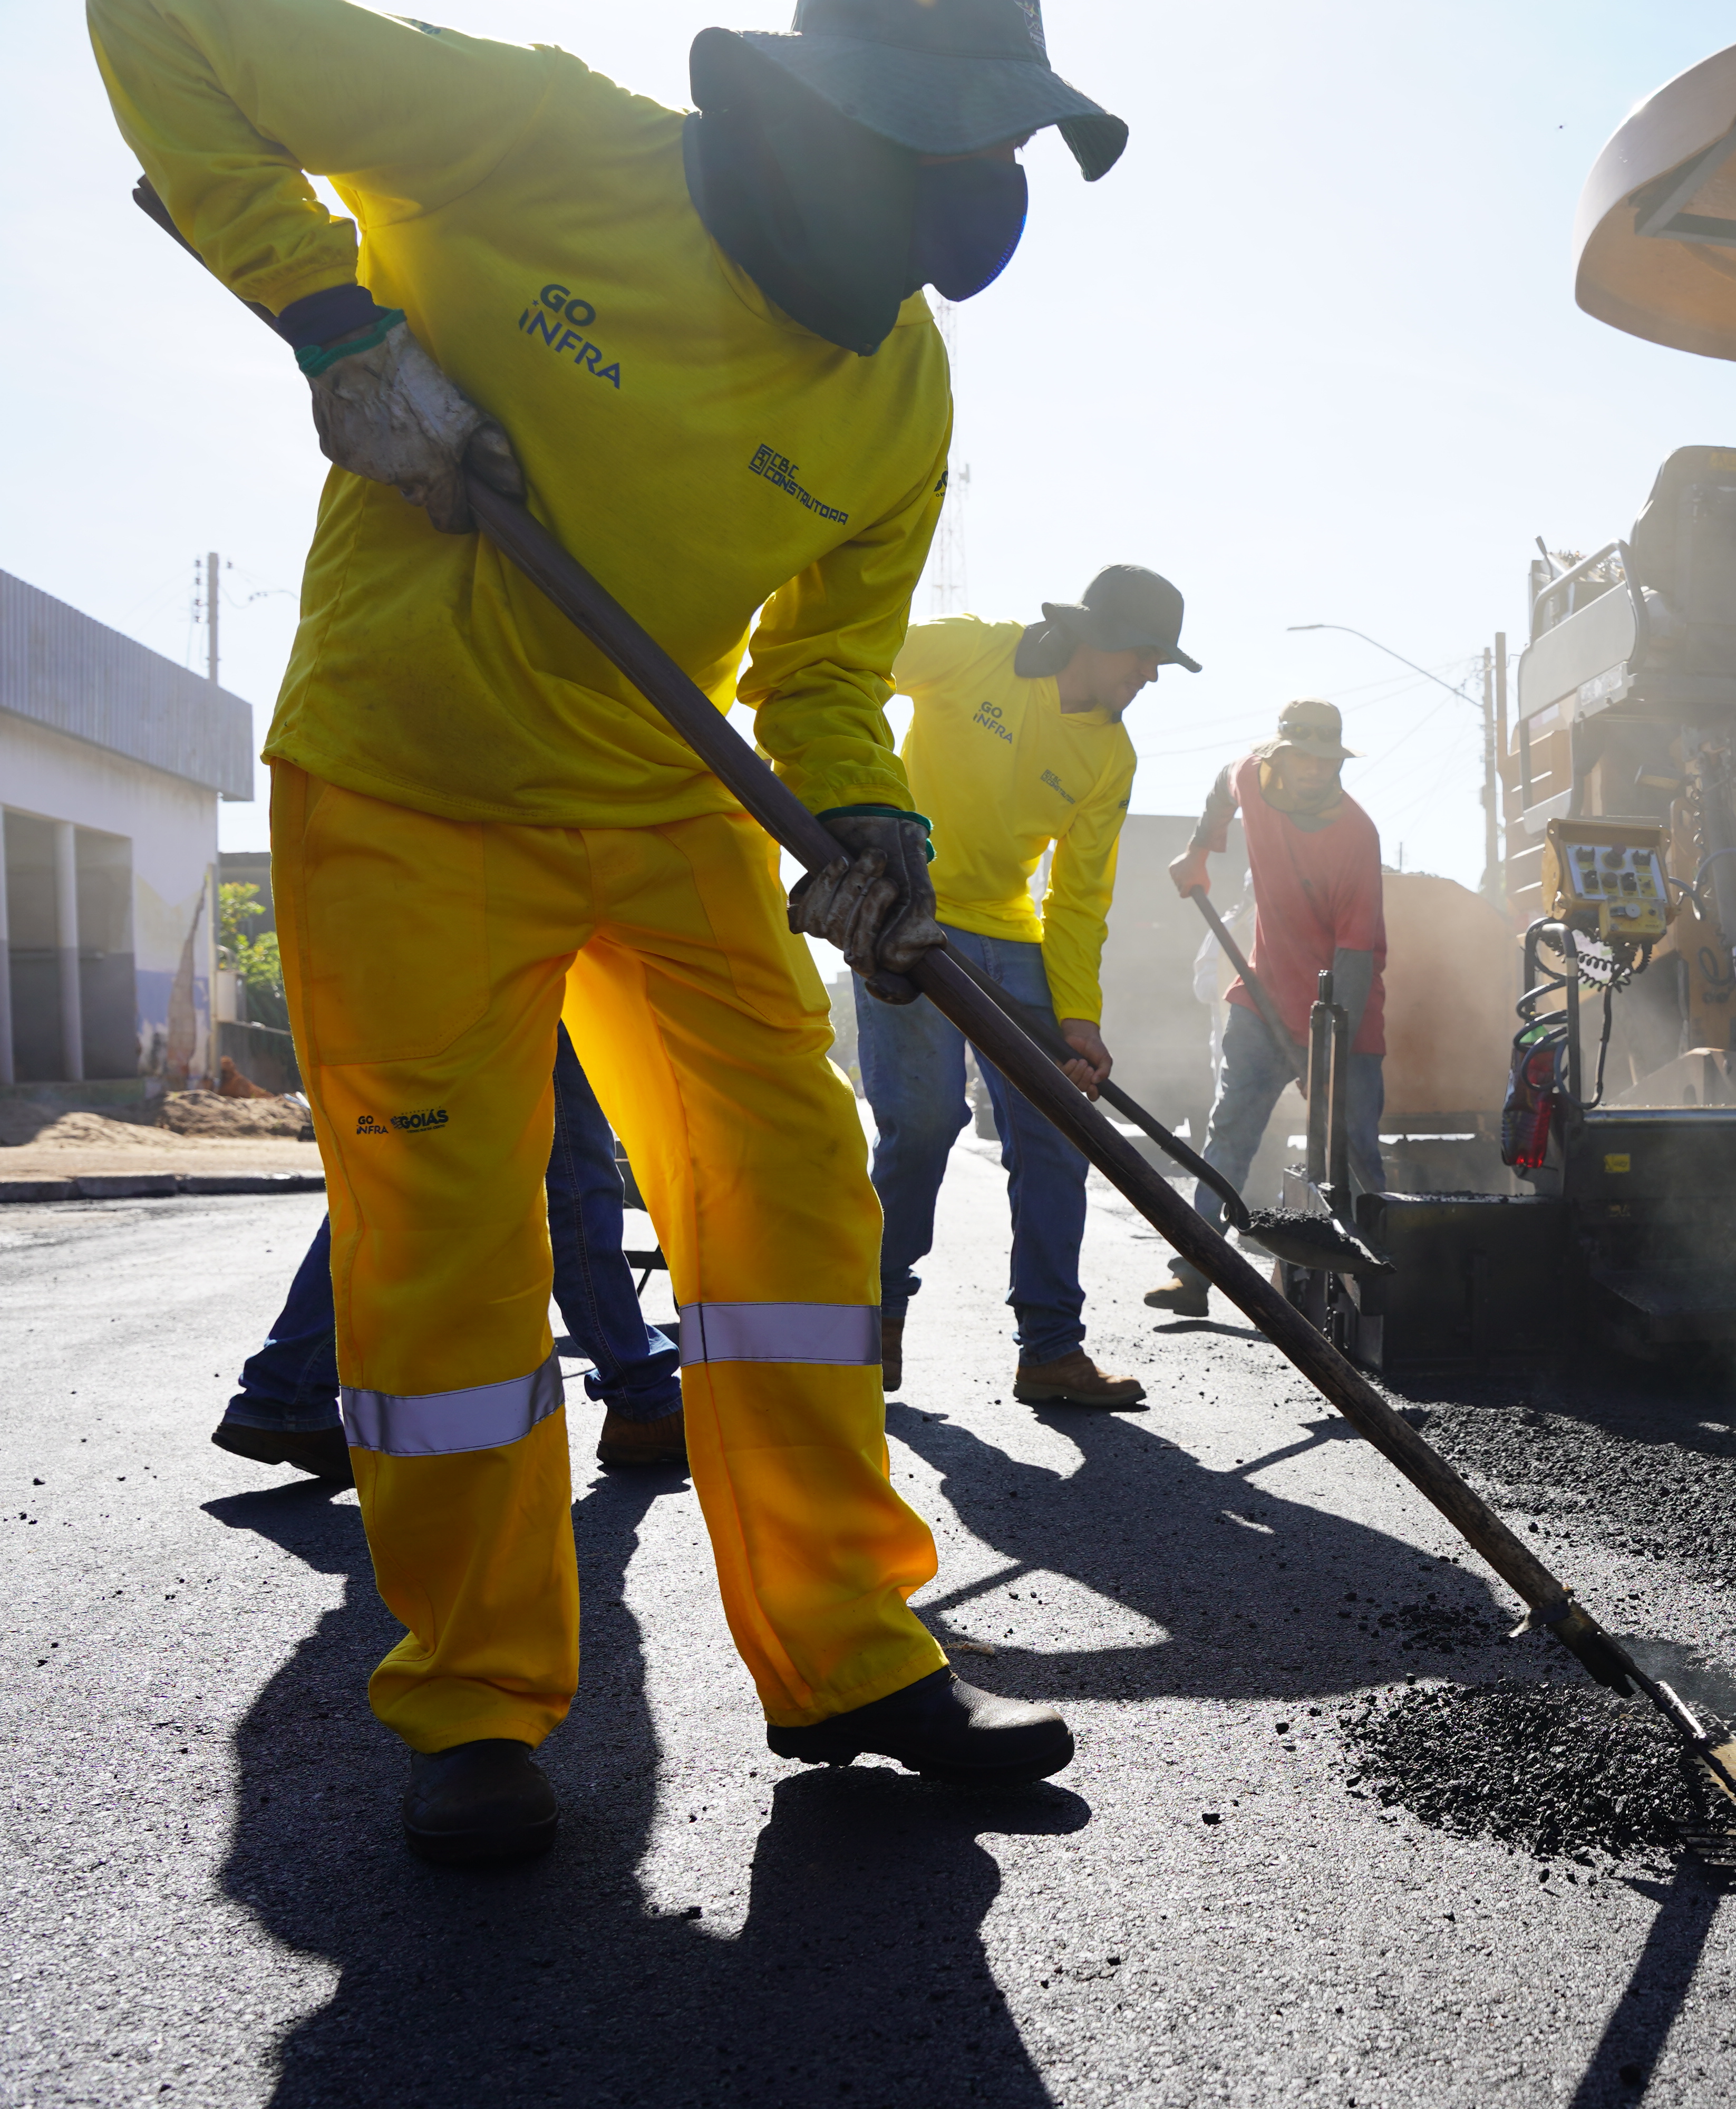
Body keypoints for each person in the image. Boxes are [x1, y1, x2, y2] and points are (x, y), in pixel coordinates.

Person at [94, 0, 1126, 1865]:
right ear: (820, 122)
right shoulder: (542, 142)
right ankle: (475, 1700)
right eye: (947, 156)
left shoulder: (896, 385)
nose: (965, 217)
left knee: (798, 1201)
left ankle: (851, 1654)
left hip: (664, 807)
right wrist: (333, 318)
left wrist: (871, 825)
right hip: (408, 782)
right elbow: (161, 20)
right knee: (447, 1248)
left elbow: (823, 667)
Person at [866, 571, 1197, 1409]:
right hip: (908, 904)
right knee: (927, 1122)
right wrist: (861, 817)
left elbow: (1079, 898)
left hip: (1010, 938)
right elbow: (848, 667)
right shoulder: (976, 650)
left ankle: (1050, 1349)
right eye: (1147, 656)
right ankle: (874, 1318)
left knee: (1056, 1133)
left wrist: (1079, 1015)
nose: (1152, 677)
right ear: (1098, 633)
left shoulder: (1110, 755)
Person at [215, 1030, 685, 1484]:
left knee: (396, 1171)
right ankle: (639, 1392)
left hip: (416, 982)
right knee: (573, 1172)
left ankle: (284, 1389)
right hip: (516, 969)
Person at [1147, 701, 1388, 1319]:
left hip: (1344, 1010)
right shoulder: (1252, 776)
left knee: (1356, 1148)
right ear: (1280, 756)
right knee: (1230, 1130)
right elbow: (1220, 786)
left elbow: (1356, 956)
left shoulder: (1355, 836)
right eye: (1303, 758)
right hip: (1261, 1000)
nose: (1314, 770)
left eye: (1326, 760)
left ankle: (1384, 1283)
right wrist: (1200, 848)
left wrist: (1327, 1057)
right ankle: (1194, 1273)